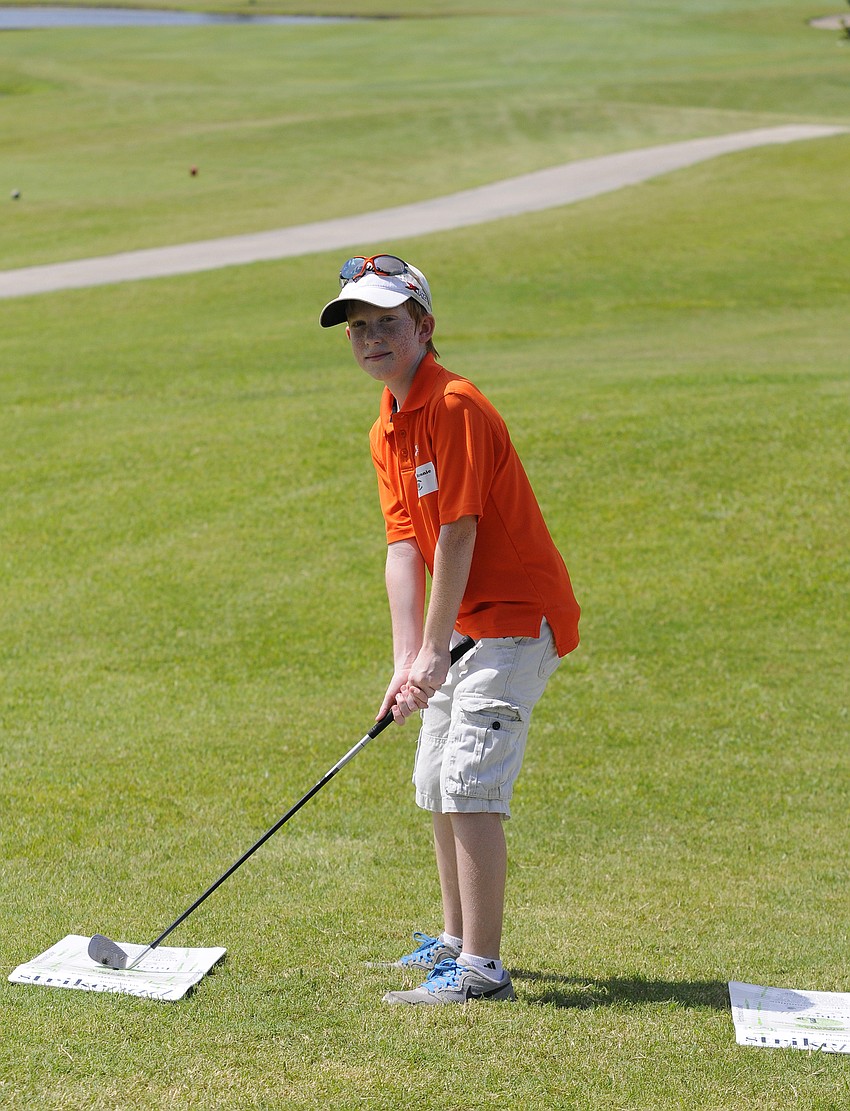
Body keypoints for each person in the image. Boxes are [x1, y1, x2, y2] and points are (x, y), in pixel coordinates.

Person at [319, 253, 580, 1005]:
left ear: (424, 326)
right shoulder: (389, 424)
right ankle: (456, 940)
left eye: (387, 323)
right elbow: (406, 545)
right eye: (358, 328)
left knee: (469, 784)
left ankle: (481, 971)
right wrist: (407, 659)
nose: (371, 338)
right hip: (461, 622)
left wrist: (435, 648)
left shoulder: (455, 406)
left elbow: (457, 533)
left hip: (512, 620)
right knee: (435, 778)